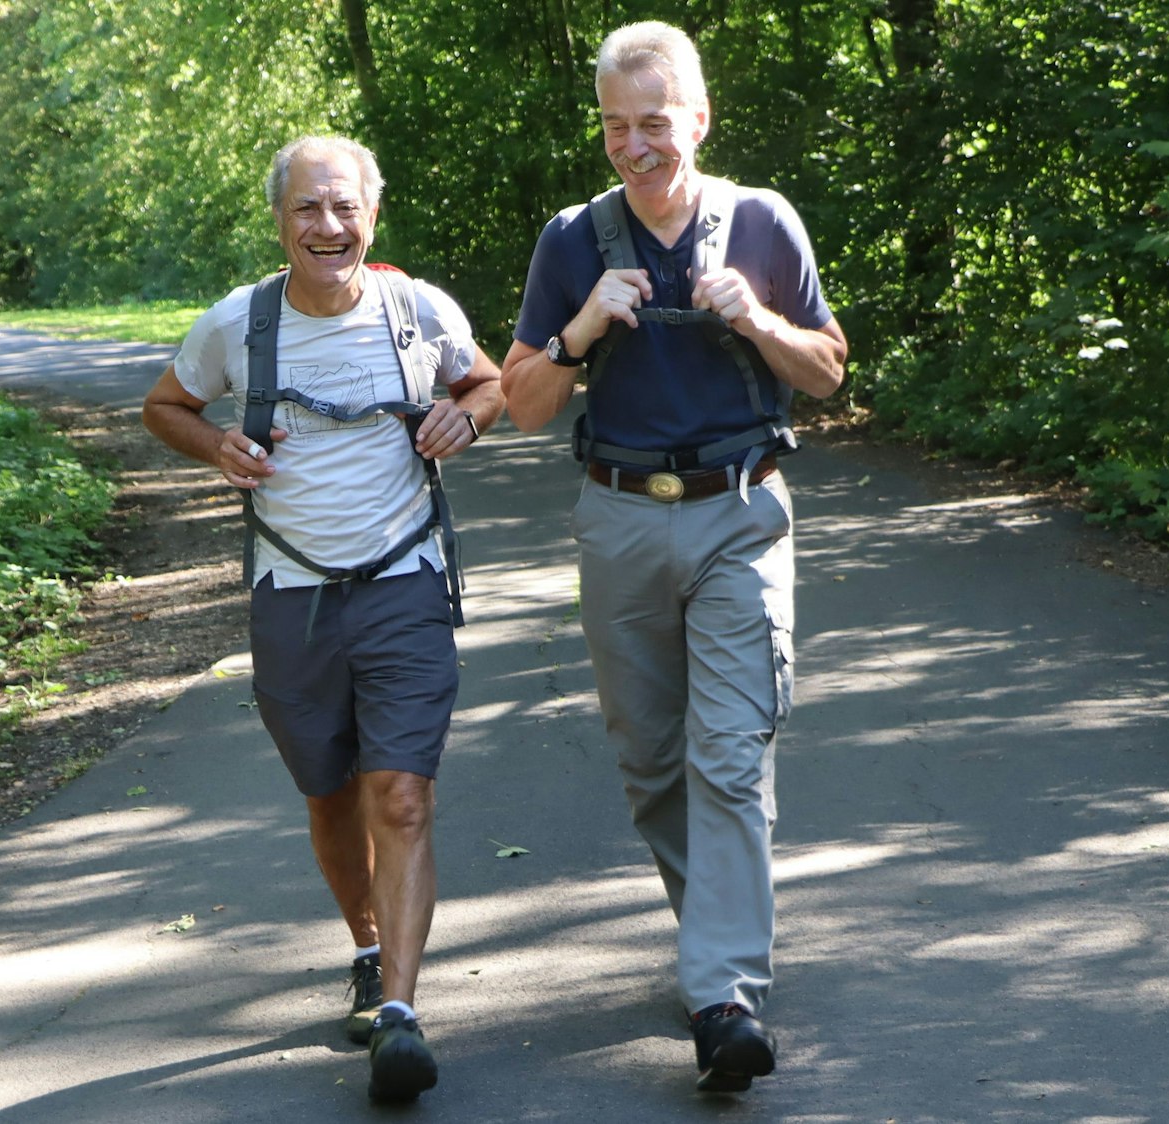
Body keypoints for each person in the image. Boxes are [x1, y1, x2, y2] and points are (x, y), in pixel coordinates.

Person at [499, 21, 847, 1096]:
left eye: (654, 121)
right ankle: (717, 944)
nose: (635, 145)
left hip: (739, 512)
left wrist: (761, 322)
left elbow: (829, 372)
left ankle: (722, 995)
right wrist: (578, 332)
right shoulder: (573, 239)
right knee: (653, 763)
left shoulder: (763, 222)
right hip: (618, 518)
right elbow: (521, 403)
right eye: (616, 125)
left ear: (697, 118)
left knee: (730, 753)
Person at [142, 134, 504, 1102]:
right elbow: (165, 406)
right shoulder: (237, 323)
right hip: (291, 594)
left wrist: (469, 414)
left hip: (403, 581)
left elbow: (488, 380)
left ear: (371, 215)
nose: (328, 225)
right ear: (280, 220)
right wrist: (216, 443)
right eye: (308, 207)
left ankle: (401, 1014)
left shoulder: (419, 310)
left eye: (345, 207)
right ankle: (368, 948)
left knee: (402, 796)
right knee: (331, 794)